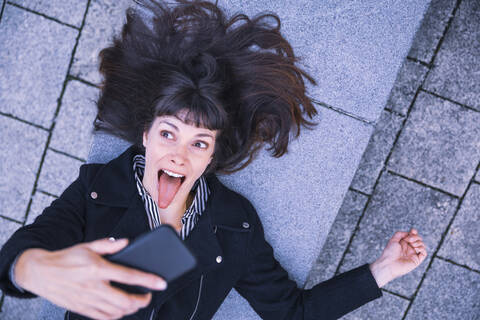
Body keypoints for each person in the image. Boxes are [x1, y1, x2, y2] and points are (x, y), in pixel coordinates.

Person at [0, 1, 428, 319]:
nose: (179, 155)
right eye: (168, 133)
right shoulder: (96, 192)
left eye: (199, 143)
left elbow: (292, 313)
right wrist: (34, 270)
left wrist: (382, 270)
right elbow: (19, 253)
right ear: (146, 135)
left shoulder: (234, 226)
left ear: (212, 157)